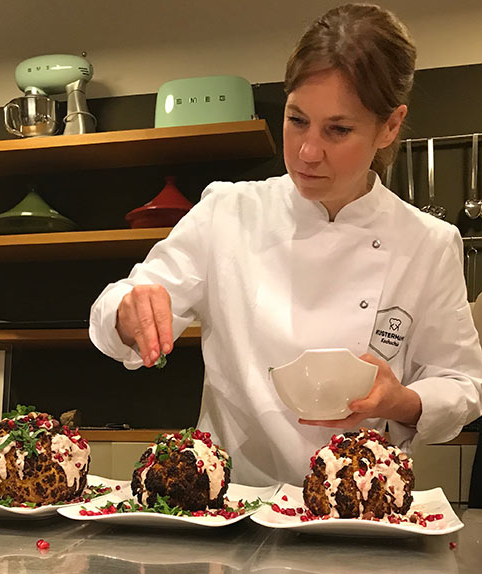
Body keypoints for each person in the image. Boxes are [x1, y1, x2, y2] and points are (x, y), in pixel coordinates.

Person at [89, 3, 482, 486]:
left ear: (390, 126)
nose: (307, 152)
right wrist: (130, 313)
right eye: (297, 120)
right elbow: (116, 307)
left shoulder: (428, 242)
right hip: (232, 506)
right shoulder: (227, 211)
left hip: (357, 511)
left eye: (338, 129)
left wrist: (402, 400)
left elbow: (463, 385)